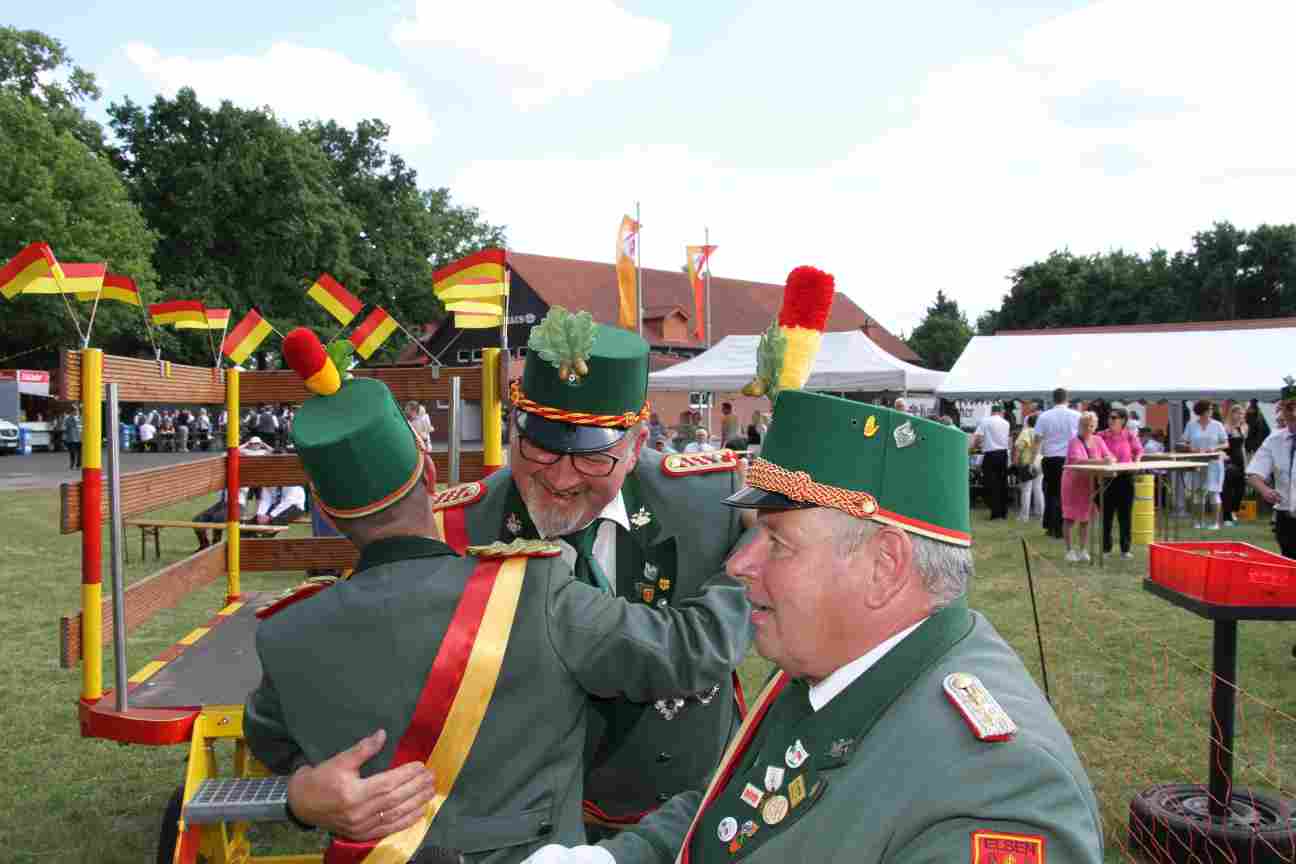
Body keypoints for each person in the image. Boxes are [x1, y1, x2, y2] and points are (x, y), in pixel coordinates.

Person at [521, 392, 1103, 864]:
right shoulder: (840, 663)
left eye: (778, 541)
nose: (738, 564)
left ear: (885, 566)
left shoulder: (995, 791)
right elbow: (743, 808)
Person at [245, 346, 742, 863]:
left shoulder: (284, 631)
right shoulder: (529, 582)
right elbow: (686, 650)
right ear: (430, 475)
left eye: (593, 456)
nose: (562, 478)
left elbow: (267, 734)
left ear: (323, 511)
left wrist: (301, 794)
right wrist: (748, 561)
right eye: (540, 449)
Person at [1247, 379, 1296, 559]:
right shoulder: (1274, 440)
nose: (1294, 413)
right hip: (1286, 518)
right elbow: (1253, 473)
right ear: (1281, 410)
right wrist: (1265, 490)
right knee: (1290, 565)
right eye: (1289, 408)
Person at [1062, 411, 1115, 563]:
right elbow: (1077, 461)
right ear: (1080, 425)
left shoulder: (1098, 440)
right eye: (1085, 425)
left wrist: (1109, 458)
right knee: (1070, 517)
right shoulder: (1074, 442)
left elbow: (1109, 455)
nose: (1088, 428)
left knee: (1085, 518)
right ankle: (1069, 550)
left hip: (1089, 483)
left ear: (1095, 426)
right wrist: (1101, 461)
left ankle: (1083, 550)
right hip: (1072, 483)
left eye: (1091, 426)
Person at [1036, 388, 1082, 539]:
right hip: (1069, 459)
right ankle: (1063, 526)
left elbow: (1037, 439)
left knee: (1050, 493)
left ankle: (1051, 526)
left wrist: (1035, 457)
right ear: (1067, 399)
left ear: (1053, 399)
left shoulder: (1044, 416)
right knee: (1066, 494)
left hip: (1050, 458)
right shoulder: (1076, 416)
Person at [1098, 408, 1143, 559]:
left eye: (1114, 417)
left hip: (1126, 477)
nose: (1110, 420)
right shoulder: (1101, 435)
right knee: (1107, 516)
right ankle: (1106, 550)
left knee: (1125, 516)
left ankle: (1125, 549)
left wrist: (1137, 461)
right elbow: (1095, 451)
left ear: (1123, 420)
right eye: (1109, 417)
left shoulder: (1129, 435)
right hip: (1107, 478)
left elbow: (1139, 450)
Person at [1180, 399, 1227, 531]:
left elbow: (1225, 443)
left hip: (1214, 462)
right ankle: (1198, 522)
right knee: (1198, 492)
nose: (1212, 411)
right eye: (1209, 409)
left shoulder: (1217, 425)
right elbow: (1183, 442)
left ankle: (1215, 523)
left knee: (1213, 492)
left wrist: (1214, 448)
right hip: (1196, 461)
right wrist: (1191, 449)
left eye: (1212, 409)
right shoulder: (1191, 425)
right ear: (1202, 411)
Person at [971, 403, 1010, 520]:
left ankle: (995, 511)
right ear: (1001, 412)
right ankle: (1003, 511)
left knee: (990, 483)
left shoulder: (985, 421)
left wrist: (972, 448)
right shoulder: (1006, 423)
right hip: (1003, 454)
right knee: (1002, 482)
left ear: (991, 412)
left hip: (990, 454)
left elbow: (978, 438)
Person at [1222, 404, 1248, 526]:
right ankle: (1227, 516)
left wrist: (1246, 463)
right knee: (1228, 488)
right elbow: (1221, 445)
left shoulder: (1244, 427)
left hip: (1240, 460)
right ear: (1232, 414)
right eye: (1238, 413)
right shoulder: (1225, 427)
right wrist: (1223, 457)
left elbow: (1243, 447)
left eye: (1242, 414)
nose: (1240, 416)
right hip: (1229, 460)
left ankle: (1233, 511)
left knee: (1240, 489)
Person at [1014, 414, 1044, 523]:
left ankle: (1024, 516)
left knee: (1026, 490)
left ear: (1028, 422)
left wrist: (1016, 460)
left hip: (1027, 462)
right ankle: (1040, 514)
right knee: (1038, 489)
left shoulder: (1026, 432)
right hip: (1040, 461)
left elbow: (1019, 447)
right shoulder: (1042, 432)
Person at [62, 405, 82, 470]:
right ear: (72, 412)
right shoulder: (68, 419)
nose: (76, 412)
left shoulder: (81, 418)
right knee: (72, 453)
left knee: (80, 453)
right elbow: (66, 427)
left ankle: (78, 465)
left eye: (77, 410)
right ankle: (72, 464)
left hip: (80, 438)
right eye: (75, 410)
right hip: (72, 438)